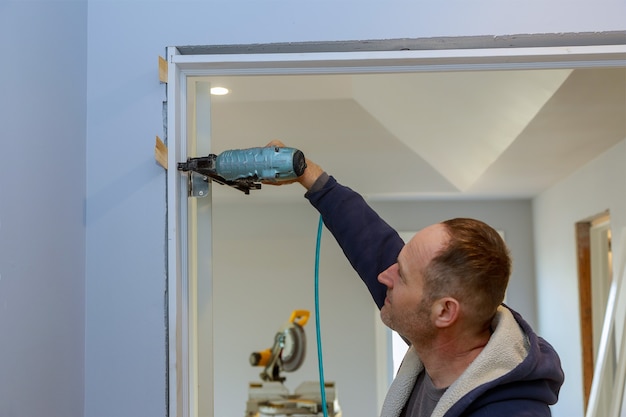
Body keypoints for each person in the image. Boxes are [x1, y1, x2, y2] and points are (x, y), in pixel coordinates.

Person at [266, 141, 564, 417]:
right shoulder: (442, 337)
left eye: (402, 275)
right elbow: (372, 245)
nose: (384, 275)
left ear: (445, 312)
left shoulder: (511, 412)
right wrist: (307, 174)